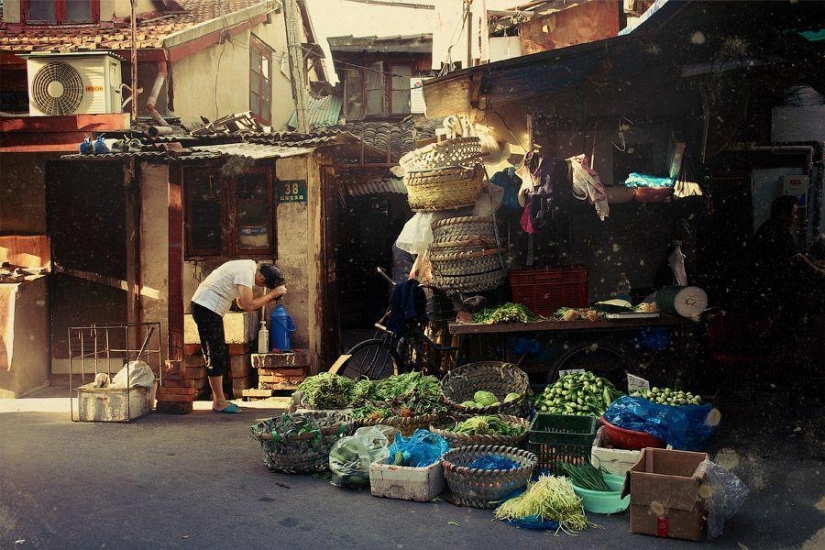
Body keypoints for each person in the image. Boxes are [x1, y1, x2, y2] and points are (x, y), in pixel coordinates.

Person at [191, 260, 286, 413]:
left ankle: (219, 400)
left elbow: (241, 303)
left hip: (206, 307)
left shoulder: (245, 267)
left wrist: (268, 295)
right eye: (262, 285)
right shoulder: (246, 271)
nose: (258, 287)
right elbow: (249, 306)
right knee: (215, 354)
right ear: (261, 279)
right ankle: (219, 402)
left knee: (217, 352)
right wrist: (272, 294)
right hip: (206, 308)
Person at [748, 195, 825, 318]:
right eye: (794, 213)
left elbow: (794, 253)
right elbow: (797, 258)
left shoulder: (770, 226)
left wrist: (815, 263)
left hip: (766, 286)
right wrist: (818, 271)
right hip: (772, 287)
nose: (796, 217)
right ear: (783, 213)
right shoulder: (777, 229)